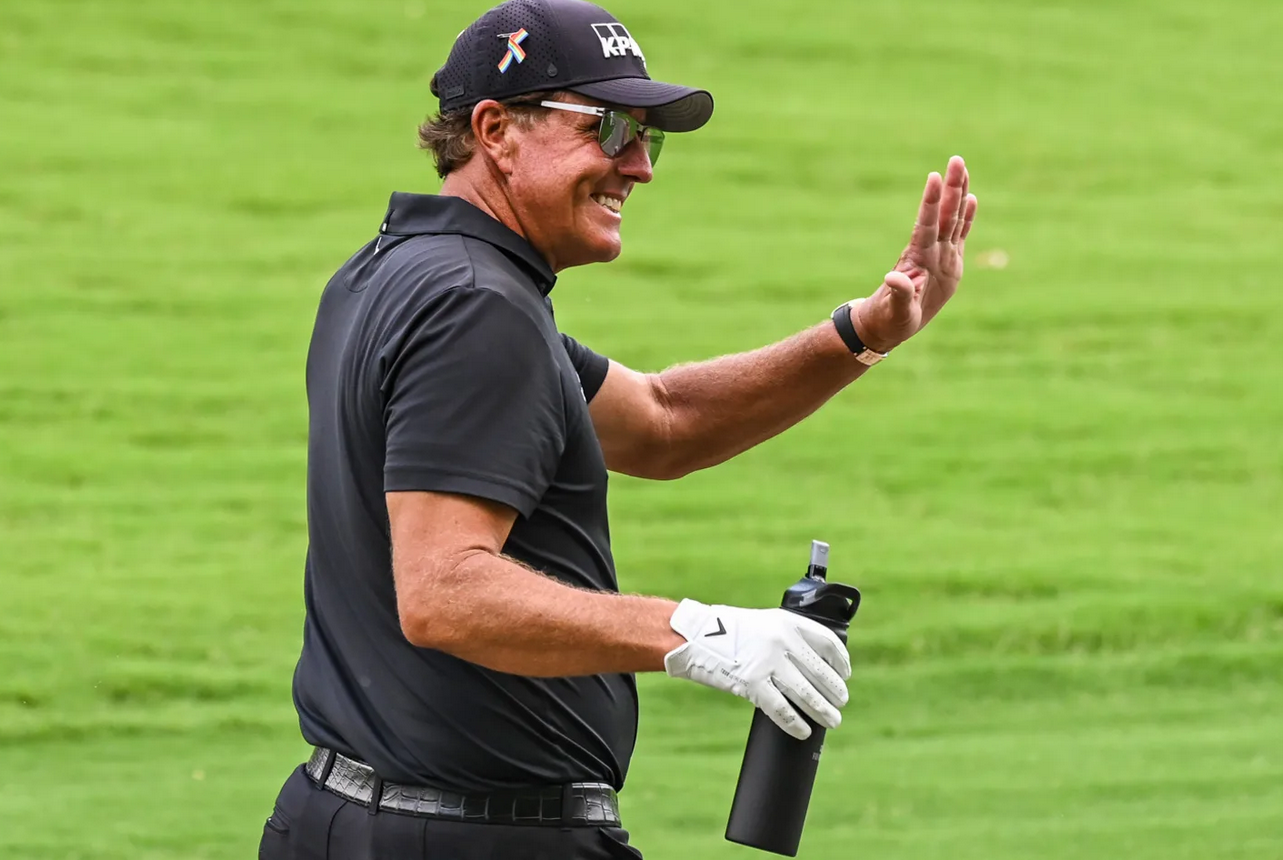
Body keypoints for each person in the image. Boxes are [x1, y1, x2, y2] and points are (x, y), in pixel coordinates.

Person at [258, 0, 976, 856]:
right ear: (495, 130)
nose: (638, 166)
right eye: (605, 128)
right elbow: (445, 591)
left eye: (646, 138)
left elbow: (663, 422)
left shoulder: (396, 272)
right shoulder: (477, 307)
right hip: (474, 837)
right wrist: (700, 635)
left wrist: (860, 334)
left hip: (339, 816)